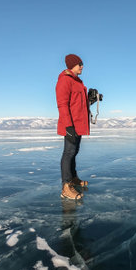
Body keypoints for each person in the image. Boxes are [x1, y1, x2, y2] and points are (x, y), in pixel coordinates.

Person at [56, 54, 90, 200]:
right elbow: (62, 105)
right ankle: (66, 187)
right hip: (71, 124)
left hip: (79, 123)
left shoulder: (78, 82)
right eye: (80, 64)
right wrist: (68, 126)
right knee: (68, 153)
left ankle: (74, 178)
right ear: (72, 65)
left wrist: (92, 100)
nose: (82, 66)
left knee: (74, 151)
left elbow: (78, 105)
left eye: (82, 63)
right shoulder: (65, 80)